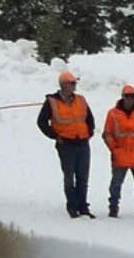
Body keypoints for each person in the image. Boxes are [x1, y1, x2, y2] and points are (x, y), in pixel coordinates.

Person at [36, 68, 95, 217]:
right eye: (72, 83)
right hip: (66, 145)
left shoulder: (81, 100)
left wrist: (89, 132)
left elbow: (89, 118)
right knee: (69, 177)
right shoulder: (52, 102)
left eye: (75, 83)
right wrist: (55, 136)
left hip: (82, 143)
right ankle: (72, 206)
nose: (74, 86)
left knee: (83, 177)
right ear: (63, 85)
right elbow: (41, 122)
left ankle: (83, 207)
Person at [101, 84, 134, 217]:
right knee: (116, 184)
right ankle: (113, 209)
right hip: (120, 156)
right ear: (122, 97)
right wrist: (114, 149)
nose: (129, 99)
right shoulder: (113, 114)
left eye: (132, 96)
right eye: (127, 96)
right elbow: (107, 134)